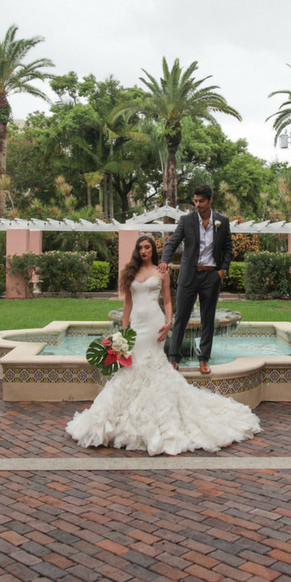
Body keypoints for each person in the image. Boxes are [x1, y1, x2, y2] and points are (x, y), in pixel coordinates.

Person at [66, 235, 261, 455]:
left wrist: (169, 322)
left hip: (155, 325)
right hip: (136, 328)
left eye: (147, 247)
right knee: (132, 368)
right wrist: (123, 331)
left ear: (153, 250)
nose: (143, 251)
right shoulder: (130, 272)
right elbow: (127, 304)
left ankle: (160, 417)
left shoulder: (162, 272)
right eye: (140, 247)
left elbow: (168, 300)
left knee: (153, 367)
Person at [158, 184, 233, 375]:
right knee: (181, 317)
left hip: (211, 276)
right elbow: (173, 241)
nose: (197, 205)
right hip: (189, 276)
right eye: (196, 201)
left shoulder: (222, 222)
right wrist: (165, 260)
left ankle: (204, 359)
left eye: (201, 201)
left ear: (210, 200)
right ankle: (174, 358)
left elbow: (228, 249)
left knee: (208, 319)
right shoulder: (187, 220)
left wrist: (222, 271)